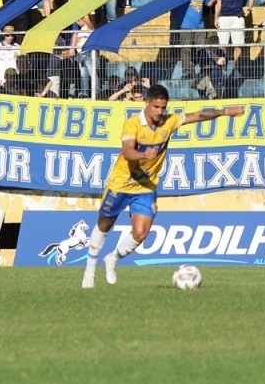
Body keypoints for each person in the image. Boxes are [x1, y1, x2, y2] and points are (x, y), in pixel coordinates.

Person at [81, 85, 243, 289]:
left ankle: (112, 258)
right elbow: (128, 151)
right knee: (104, 225)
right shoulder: (133, 124)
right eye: (156, 107)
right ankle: (89, 272)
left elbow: (200, 115)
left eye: (163, 108)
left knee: (140, 234)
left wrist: (225, 112)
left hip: (145, 186)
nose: (159, 112)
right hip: (120, 184)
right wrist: (143, 154)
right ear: (146, 103)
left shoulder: (169, 121)